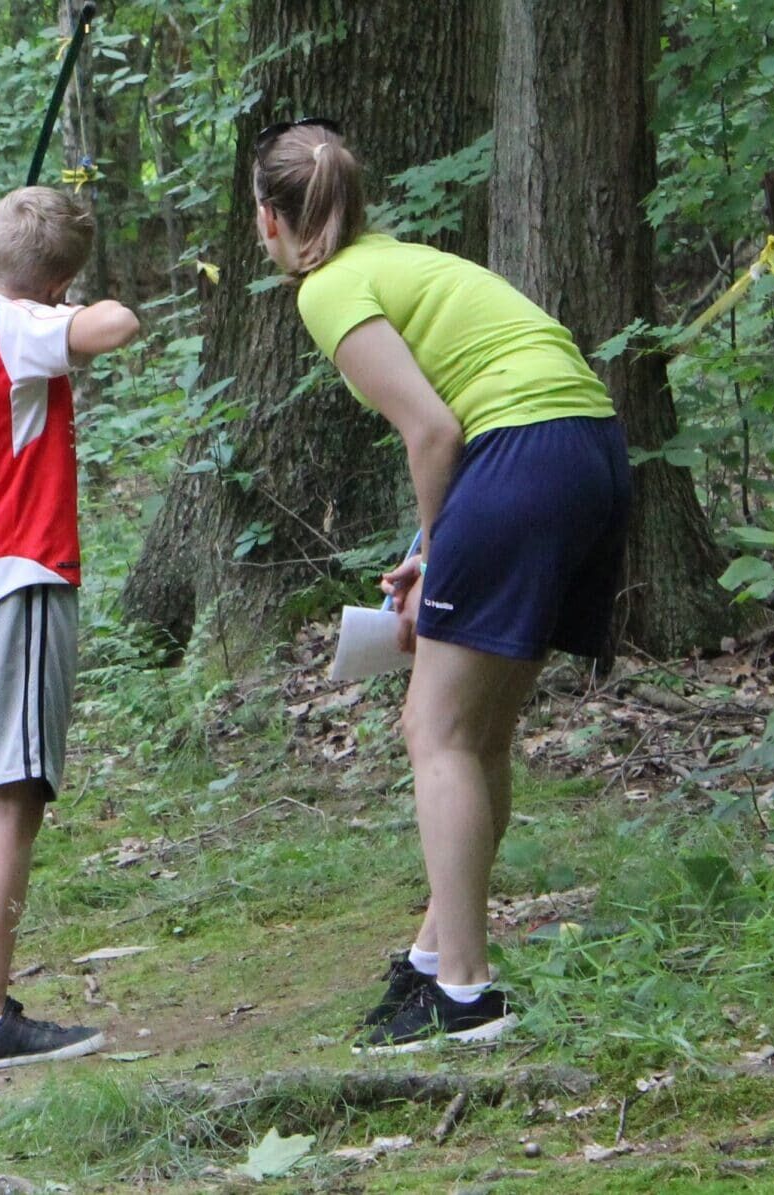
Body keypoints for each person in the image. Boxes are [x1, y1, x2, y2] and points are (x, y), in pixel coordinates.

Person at [249, 118, 632, 1054]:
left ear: (269, 222)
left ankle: (465, 992)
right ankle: (433, 960)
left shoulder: (330, 287)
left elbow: (432, 429)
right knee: (478, 730)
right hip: (588, 446)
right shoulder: (401, 259)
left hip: (520, 456)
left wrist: (434, 549)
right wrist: (438, 546)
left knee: (435, 727)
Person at [0, 186, 142, 1077]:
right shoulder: (18, 325)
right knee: (12, 801)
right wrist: (60, 300)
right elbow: (115, 326)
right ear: (54, 283)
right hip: (21, 579)